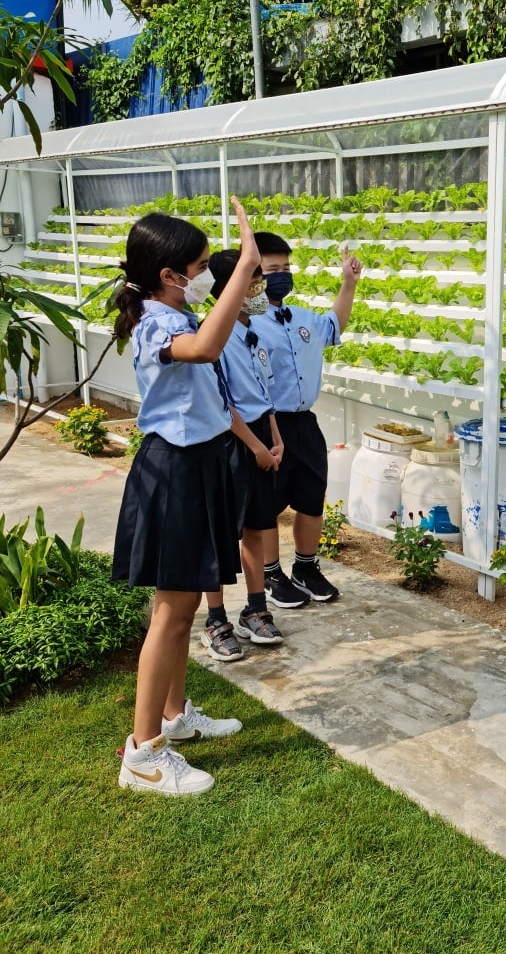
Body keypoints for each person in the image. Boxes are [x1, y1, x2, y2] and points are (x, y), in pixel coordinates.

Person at [112, 199, 260, 796]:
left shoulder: (171, 314)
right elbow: (202, 349)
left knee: (182, 607)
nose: (207, 277)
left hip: (198, 465)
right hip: (173, 471)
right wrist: (246, 259)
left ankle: (174, 718)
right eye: (201, 267)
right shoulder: (158, 322)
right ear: (171, 276)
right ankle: (143, 755)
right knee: (172, 615)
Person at [249, 231, 361, 607]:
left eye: (286, 267)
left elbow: (334, 325)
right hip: (266, 424)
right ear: (252, 275)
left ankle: (306, 568)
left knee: (312, 498)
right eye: (271, 269)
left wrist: (349, 283)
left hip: (304, 423)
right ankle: (269, 574)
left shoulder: (303, 318)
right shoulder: (244, 323)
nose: (281, 275)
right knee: (266, 504)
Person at [199, 250, 286, 661]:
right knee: (219, 535)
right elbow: (221, 401)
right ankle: (215, 619)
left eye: (257, 279)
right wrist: (254, 447)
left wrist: (274, 436)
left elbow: (262, 393)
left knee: (256, 528)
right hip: (231, 444)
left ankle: (256, 608)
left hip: (261, 441)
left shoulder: (253, 330)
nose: (258, 288)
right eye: (250, 281)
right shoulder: (212, 336)